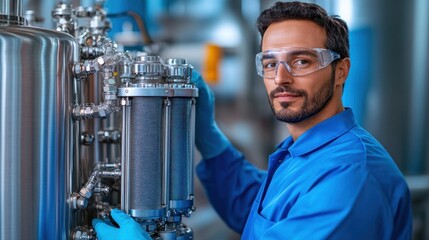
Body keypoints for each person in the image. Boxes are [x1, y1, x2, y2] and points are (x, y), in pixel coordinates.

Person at [93, 1, 413, 239]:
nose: (281, 78)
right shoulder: (306, 152)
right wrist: (211, 138)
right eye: (271, 63)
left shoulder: (349, 177)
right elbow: (255, 209)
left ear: (341, 70)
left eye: (301, 61)